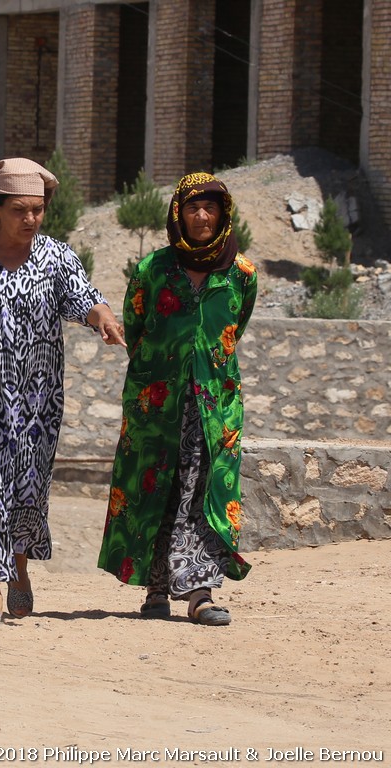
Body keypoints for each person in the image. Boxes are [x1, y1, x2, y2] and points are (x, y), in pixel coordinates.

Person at [0, 157, 126, 624]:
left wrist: (104, 320)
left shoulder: (56, 257)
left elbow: (84, 297)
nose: (32, 219)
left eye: (38, 210)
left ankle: (19, 566)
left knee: (28, 488)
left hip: (39, 400)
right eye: (21, 209)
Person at [98, 172, 257, 626]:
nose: (202, 216)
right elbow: (137, 324)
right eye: (192, 207)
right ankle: (156, 588)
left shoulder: (242, 274)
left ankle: (200, 593)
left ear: (224, 214)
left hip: (215, 406)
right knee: (157, 487)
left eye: (210, 207)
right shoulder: (153, 269)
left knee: (204, 489)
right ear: (178, 214)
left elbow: (233, 330)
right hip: (157, 403)